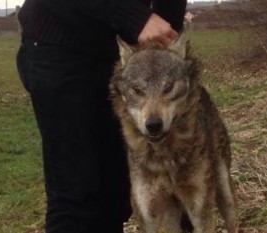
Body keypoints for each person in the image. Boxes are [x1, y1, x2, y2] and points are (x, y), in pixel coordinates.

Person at [16, 0, 186, 232]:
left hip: (118, 55)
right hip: (60, 48)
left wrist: (167, 41)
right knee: (75, 195)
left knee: (114, 193)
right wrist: (136, 18)